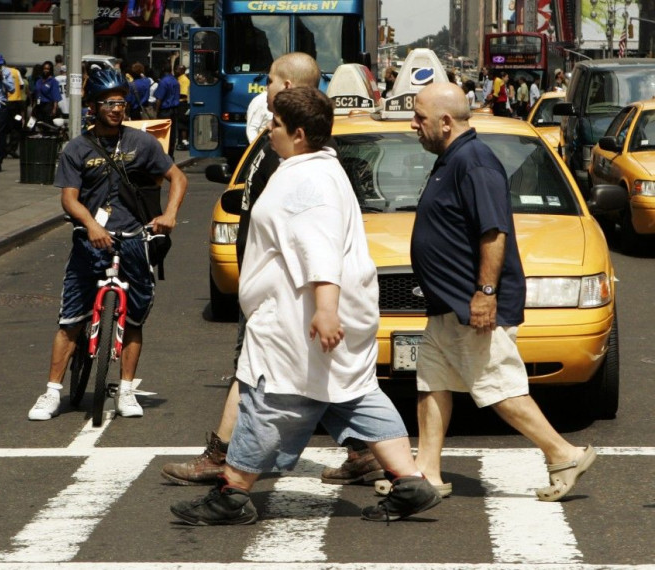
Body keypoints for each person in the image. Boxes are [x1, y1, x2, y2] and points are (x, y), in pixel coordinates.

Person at [170, 86, 442, 526]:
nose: (268, 131)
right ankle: (410, 481)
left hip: (299, 318)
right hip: (321, 313)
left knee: (268, 401)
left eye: (274, 125)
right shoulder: (318, 169)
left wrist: (325, 308)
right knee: (355, 395)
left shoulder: (305, 180)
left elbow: (318, 247)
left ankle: (232, 493)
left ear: (297, 134)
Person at [160, 53, 385, 488]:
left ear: (285, 86)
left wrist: (316, 299)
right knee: (324, 376)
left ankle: (224, 460)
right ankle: (365, 452)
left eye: (269, 80)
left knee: (253, 372)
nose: (264, 87)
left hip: (281, 291)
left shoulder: (300, 152)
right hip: (264, 286)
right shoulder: (276, 141)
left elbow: (307, 230)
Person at [408, 82, 596, 502]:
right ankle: (427, 470)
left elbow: (494, 233)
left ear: (445, 121)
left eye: (419, 117)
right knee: (432, 381)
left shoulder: (474, 163)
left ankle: (563, 452)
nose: (413, 125)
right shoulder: (451, 159)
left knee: (498, 387)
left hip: (471, 303)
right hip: (448, 306)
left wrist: (485, 293)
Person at [27, 69, 188, 421]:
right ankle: (52, 392)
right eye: (109, 103)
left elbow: (177, 177)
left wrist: (170, 215)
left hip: (132, 239)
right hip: (90, 240)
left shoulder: (141, 142)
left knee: (133, 318)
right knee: (70, 319)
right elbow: (69, 199)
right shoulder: (77, 148)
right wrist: (89, 225)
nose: (117, 108)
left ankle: (126, 390)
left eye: (121, 101)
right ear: (94, 107)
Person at [153, 60, 179, 159]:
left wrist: (156, 112)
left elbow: (159, 98)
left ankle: (164, 155)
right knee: (172, 134)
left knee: (163, 134)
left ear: (163, 70)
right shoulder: (175, 81)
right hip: (174, 110)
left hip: (165, 111)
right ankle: (171, 154)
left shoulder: (164, 82)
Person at [5, 65, 28, 159]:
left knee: (4, 127)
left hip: (3, 103)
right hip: (15, 104)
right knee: (17, 125)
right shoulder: (15, 72)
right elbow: (21, 86)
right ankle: (11, 148)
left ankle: (3, 148)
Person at [33, 60, 62, 125]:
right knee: (37, 124)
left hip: (48, 106)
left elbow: (56, 95)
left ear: (50, 70)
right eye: (44, 69)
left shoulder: (53, 81)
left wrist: (54, 108)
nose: (45, 70)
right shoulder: (39, 81)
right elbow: (36, 93)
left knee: (46, 124)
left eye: (48, 69)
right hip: (39, 105)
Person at [175, 65, 190, 150]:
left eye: (178, 69)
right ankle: (181, 142)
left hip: (183, 104)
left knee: (182, 124)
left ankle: (184, 142)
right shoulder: (179, 78)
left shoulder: (184, 80)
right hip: (180, 103)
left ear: (182, 70)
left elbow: (183, 94)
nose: (176, 71)